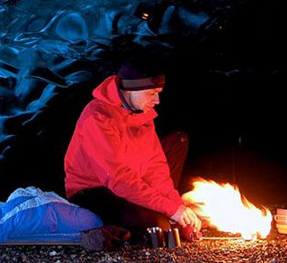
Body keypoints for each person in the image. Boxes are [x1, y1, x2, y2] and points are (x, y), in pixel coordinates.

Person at [64, 61, 201, 249]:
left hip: (127, 188)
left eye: (158, 93)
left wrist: (179, 211)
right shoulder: (97, 117)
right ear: (131, 90)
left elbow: (157, 172)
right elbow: (118, 179)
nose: (157, 101)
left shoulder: (143, 114)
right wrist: (170, 211)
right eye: (152, 93)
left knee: (167, 223)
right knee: (156, 228)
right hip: (94, 190)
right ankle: (101, 235)